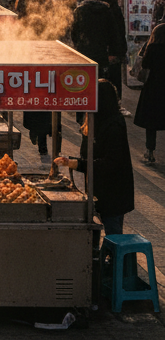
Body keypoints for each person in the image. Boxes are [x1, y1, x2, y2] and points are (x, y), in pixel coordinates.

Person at [55, 79, 134, 236]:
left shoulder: (113, 126)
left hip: (113, 194)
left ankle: (117, 260)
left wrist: (77, 164)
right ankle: (98, 258)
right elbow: (89, 155)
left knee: (113, 234)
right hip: (98, 189)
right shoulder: (93, 122)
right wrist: (70, 161)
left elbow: (111, 163)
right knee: (94, 232)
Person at [72, 0, 125, 81]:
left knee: (85, 80)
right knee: (101, 80)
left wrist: (77, 47)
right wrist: (113, 52)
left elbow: (74, 33)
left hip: (84, 53)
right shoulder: (106, 10)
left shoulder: (79, 11)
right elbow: (114, 32)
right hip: (102, 52)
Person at [135, 23, 165, 163]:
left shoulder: (152, 48)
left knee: (151, 123)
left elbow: (145, 65)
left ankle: (150, 151)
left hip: (153, 88)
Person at [99, 0, 128, 99]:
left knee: (106, 77)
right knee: (116, 78)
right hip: (117, 50)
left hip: (108, 50)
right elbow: (121, 31)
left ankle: (107, 102)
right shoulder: (116, 10)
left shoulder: (104, 11)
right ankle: (116, 101)